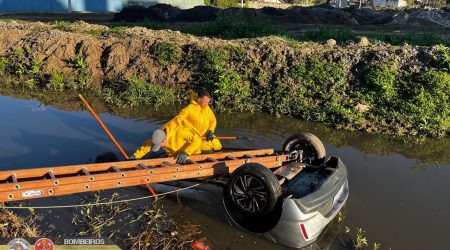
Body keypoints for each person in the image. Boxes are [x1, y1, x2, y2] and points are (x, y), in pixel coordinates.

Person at [131, 126, 202, 164]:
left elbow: (198, 140)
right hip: (175, 157)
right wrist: (134, 156)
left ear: (164, 139)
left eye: (160, 145)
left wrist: (186, 152)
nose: (160, 147)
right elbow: (147, 146)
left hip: (192, 154)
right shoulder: (158, 136)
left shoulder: (180, 131)